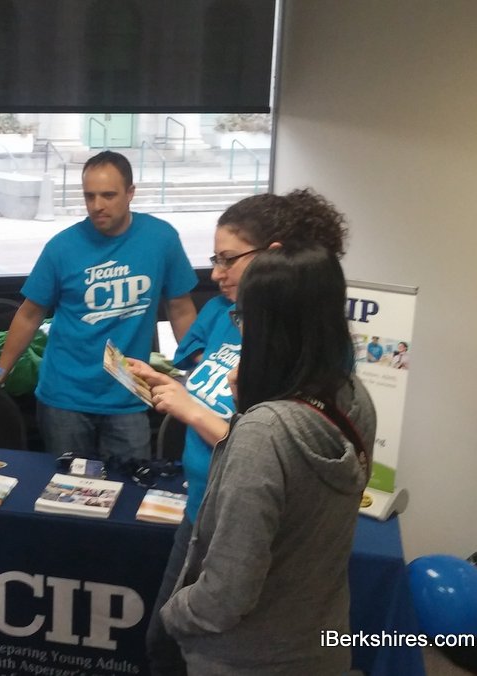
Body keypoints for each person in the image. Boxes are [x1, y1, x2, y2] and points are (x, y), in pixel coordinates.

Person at [127, 188, 349, 676]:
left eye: (227, 259)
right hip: (198, 512)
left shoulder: (311, 351)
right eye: (215, 259)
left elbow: (271, 446)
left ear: (272, 257)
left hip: (245, 525)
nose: (216, 273)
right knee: (163, 647)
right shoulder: (221, 314)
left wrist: (192, 412)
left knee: (193, 640)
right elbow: (206, 384)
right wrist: (173, 386)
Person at [159, 245, 375, 675]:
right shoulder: (355, 396)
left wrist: (174, 614)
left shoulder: (263, 433)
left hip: (244, 657)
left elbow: (227, 593)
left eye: (243, 320)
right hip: (319, 643)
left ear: (269, 328)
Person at [0, 150, 198, 464]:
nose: (97, 205)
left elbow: (180, 308)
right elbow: (29, 314)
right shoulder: (62, 247)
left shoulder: (161, 239)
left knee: (130, 487)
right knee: (66, 488)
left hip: (128, 394)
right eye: (89, 196)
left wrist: (200, 370)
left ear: (130, 193)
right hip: (65, 396)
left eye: (108, 195)